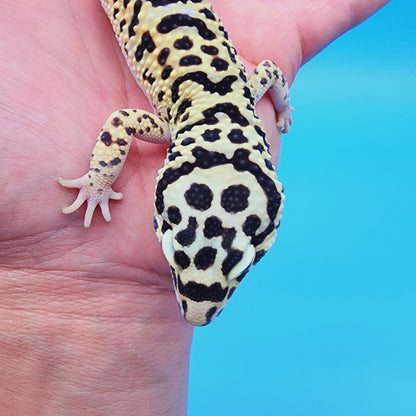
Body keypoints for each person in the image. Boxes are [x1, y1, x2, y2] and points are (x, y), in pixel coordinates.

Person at [0, 0, 389, 414]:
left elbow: (272, 75)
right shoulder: (192, 118)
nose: (198, 311)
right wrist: (99, 180)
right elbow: (121, 123)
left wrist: (280, 100)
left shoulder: (243, 91)